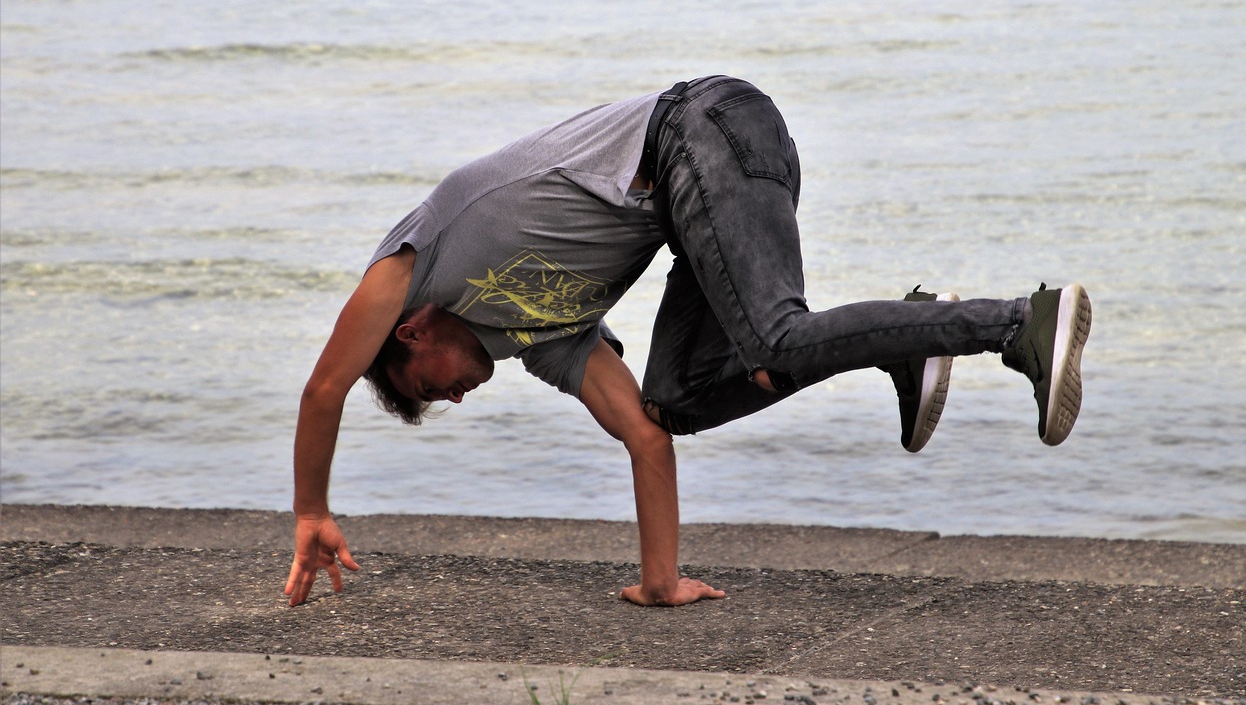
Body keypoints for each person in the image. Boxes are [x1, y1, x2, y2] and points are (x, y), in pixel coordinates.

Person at [284, 75, 1092, 608]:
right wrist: (660, 583)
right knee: (675, 400)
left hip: (702, 130)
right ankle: (902, 341)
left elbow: (324, 387)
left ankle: (1019, 320)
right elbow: (644, 437)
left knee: (774, 337)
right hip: (701, 199)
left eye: (430, 385)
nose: (455, 395)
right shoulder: (546, 342)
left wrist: (313, 509)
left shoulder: (414, 263)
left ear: (412, 331)